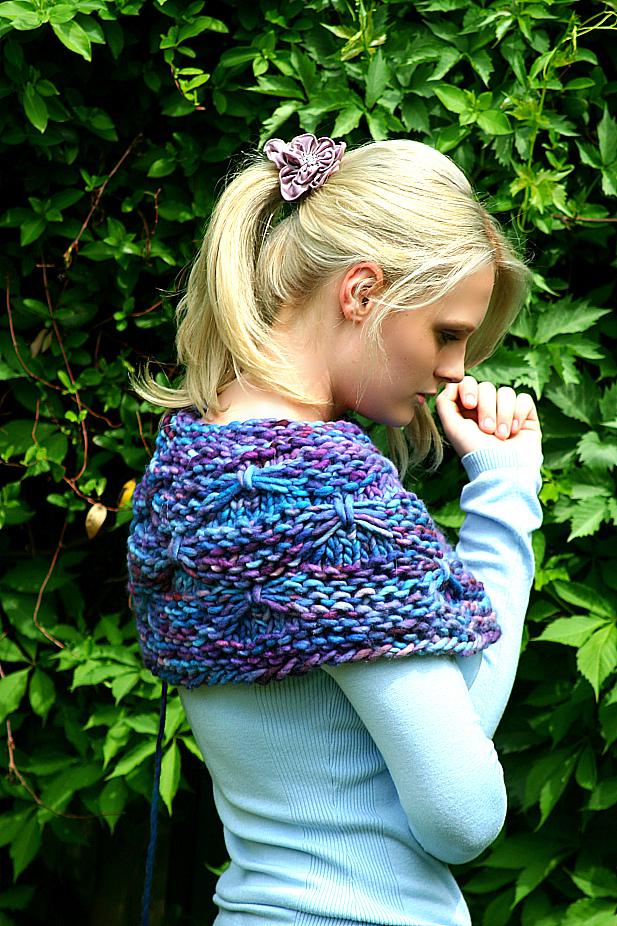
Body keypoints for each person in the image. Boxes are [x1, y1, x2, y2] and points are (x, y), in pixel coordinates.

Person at [127, 133, 543, 926]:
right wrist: (505, 495)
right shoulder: (324, 498)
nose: (455, 369)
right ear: (360, 292)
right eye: (446, 333)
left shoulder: (189, 465)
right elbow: (462, 813)